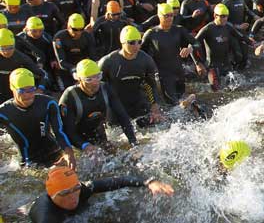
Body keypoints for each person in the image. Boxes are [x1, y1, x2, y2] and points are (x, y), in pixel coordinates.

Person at [28, 166, 174, 223]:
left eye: (75, 189)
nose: (73, 197)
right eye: (65, 193)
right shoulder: (45, 216)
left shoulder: (81, 189)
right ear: (52, 196)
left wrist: (149, 182)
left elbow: (119, 181)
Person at [0, 69, 76, 169]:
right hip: (28, 163)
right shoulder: (3, 112)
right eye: (22, 91)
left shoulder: (48, 103)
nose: (28, 95)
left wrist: (68, 153)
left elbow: (59, 132)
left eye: (31, 89)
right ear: (12, 88)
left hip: (55, 153)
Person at [59, 59, 138, 153]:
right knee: (94, 159)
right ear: (79, 79)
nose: (95, 82)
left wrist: (134, 143)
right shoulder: (70, 97)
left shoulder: (105, 88)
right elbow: (67, 131)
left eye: (98, 77)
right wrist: (84, 145)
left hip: (98, 134)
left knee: (114, 154)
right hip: (77, 139)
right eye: (89, 79)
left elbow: (123, 117)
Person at [100, 25, 164, 128]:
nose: (136, 46)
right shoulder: (109, 61)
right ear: (122, 43)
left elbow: (151, 84)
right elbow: (99, 87)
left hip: (137, 102)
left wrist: (154, 104)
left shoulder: (146, 60)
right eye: (131, 42)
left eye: (139, 42)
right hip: (115, 105)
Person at [141, 3, 203, 105]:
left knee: (180, 98)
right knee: (173, 103)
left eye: (171, 15)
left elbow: (197, 43)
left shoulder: (179, 30)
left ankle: (188, 108)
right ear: (159, 16)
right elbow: (141, 53)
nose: (170, 18)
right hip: (163, 74)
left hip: (178, 71)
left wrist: (189, 48)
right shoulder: (151, 33)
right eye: (166, 16)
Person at [195, 4, 254, 91]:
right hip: (212, 66)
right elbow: (192, 44)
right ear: (215, 15)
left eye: (226, 16)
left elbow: (241, 37)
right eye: (222, 16)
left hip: (226, 65)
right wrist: (198, 64)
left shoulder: (228, 26)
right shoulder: (208, 29)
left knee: (235, 89)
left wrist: (253, 44)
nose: (225, 19)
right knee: (216, 90)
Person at [0, 28, 48, 102]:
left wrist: (40, 89)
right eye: (3, 48)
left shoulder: (20, 57)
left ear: (14, 45)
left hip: (16, 95)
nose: (7, 52)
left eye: (10, 48)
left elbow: (43, 74)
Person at [17, 17, 61, 92]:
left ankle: (54, 83)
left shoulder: (46, 37)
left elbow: (52, 50)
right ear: (27, 29)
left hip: (44, 63)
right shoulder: (20, 38)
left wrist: (53, 59)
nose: (38, 34)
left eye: (40, 31)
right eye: (34, 31)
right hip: (25, 64)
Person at [53, 13, 97, 88]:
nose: (78, 32)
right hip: (66, 68)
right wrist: (74, 70)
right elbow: (62, 62)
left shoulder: (88, 36)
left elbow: (93, 57)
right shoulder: (58, 38)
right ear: (68, 26)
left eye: (81, 29)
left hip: (83, 67)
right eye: (75, 29)